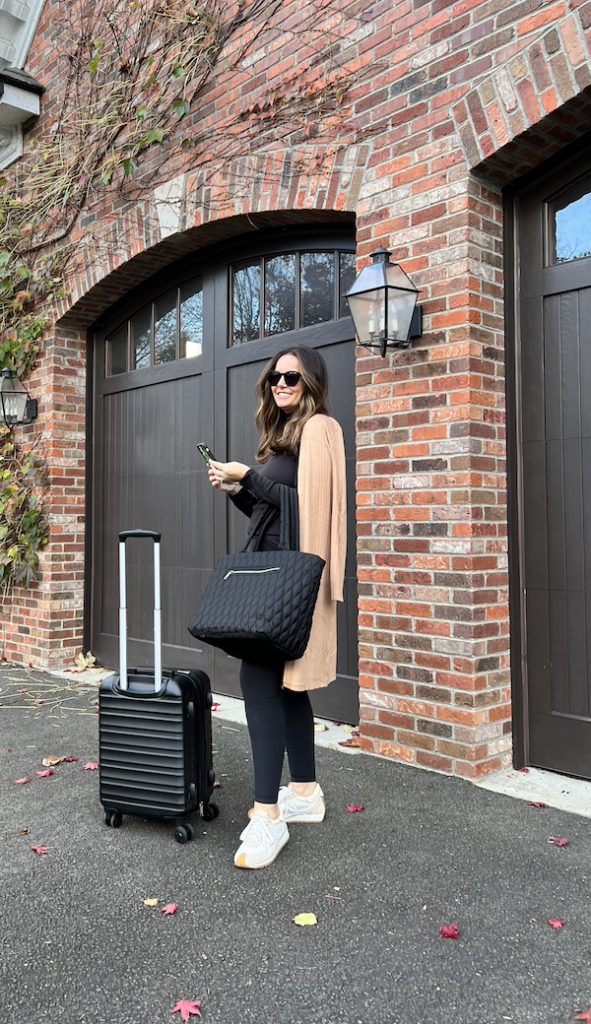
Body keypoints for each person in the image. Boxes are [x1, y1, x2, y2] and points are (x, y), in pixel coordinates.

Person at [207, 345, 347, 869]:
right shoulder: (287, 439)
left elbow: (311, 511)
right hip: (274, 573)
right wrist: (238, 486)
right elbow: (271, 509)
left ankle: (267, 818)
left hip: (288, 581)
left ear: (311, 381)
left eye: (290, 376)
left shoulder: (320, 430)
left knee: (258, 684)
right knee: (286, 687)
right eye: (273, 377)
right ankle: (305, 794)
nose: (280, 384)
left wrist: (250, 476)